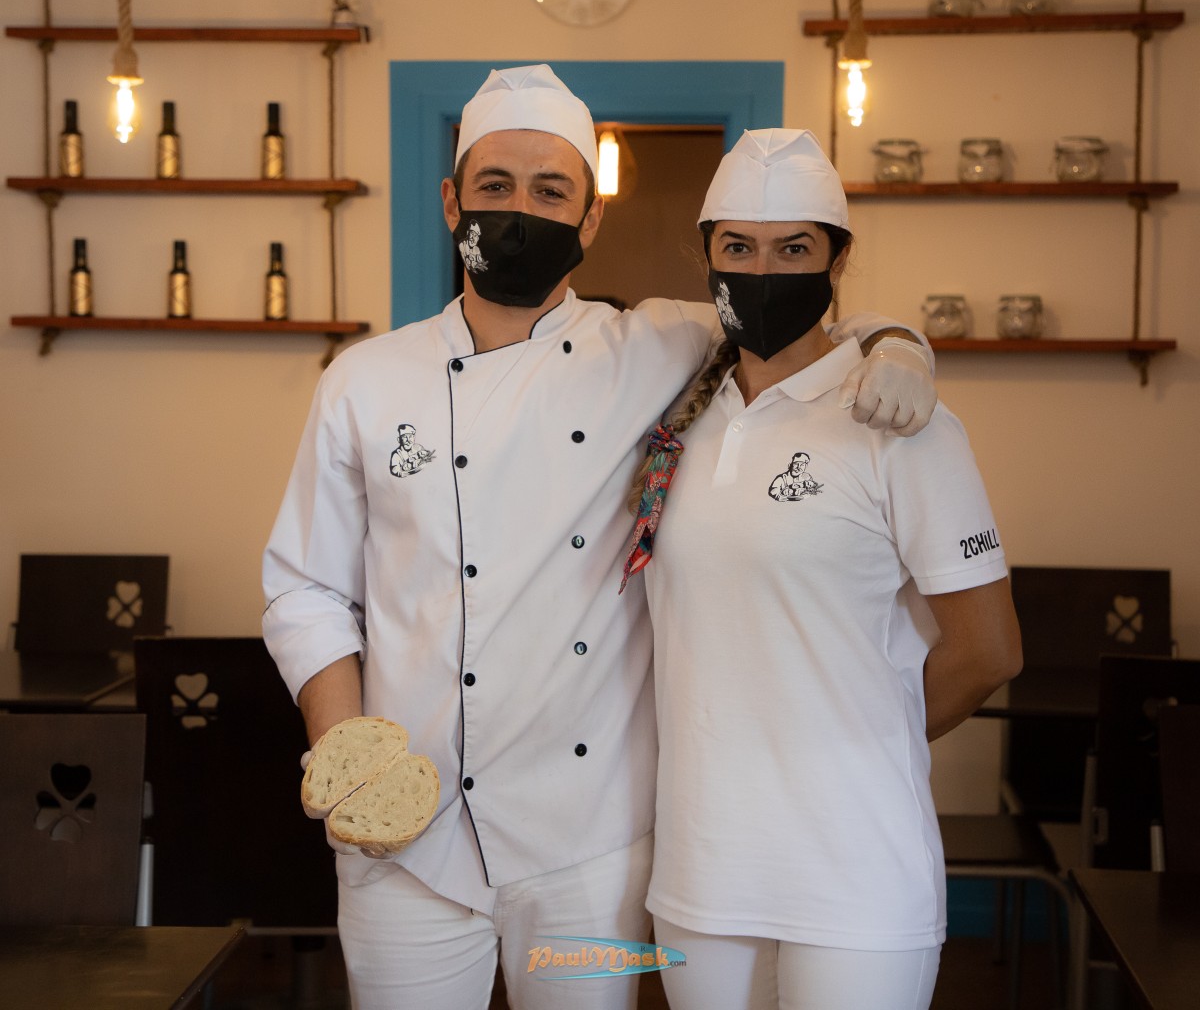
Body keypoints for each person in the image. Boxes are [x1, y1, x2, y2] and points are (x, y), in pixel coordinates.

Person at [262, 65, 939, 1010]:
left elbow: (799, 311)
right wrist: (349, 757)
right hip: (404, 840)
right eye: (495, 186)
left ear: (589, 219)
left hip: (595, 854)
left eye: (551, 191)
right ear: (453, 201)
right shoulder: (363, 381)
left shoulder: (656, 345)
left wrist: (901, 342)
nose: (519, 211)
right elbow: (305, 589)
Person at [627, 128, 1023, 1010]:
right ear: (706, 256)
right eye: (738, 248)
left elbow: (989, 651)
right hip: (701, 865)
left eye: (794, 249)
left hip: (855, 868)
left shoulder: (900, 419)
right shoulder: (677, 412)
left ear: (838, 260)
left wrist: (868, 736)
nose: (763, 270)